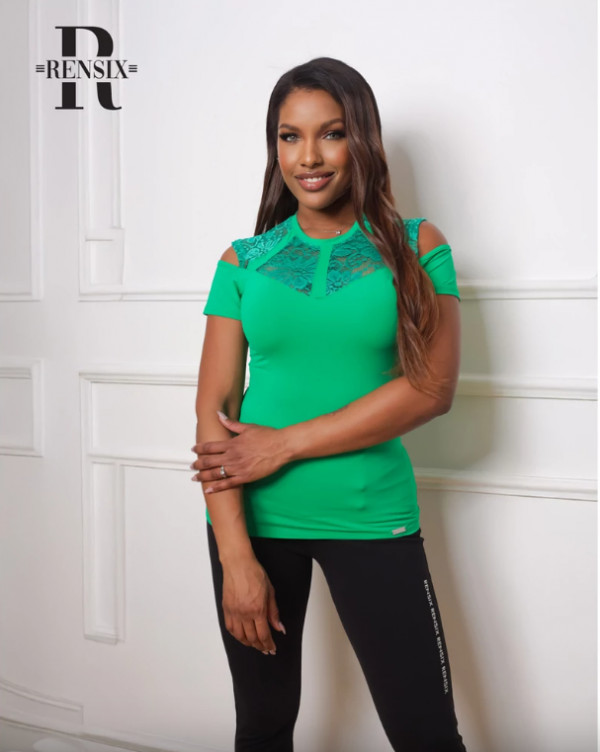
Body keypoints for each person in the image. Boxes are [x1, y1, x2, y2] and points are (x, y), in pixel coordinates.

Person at [191, 57, 467, 752]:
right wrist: (235, 558)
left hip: (371, 516)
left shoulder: (417, 246)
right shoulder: (243, 261)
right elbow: (213, 411)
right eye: (289, 137)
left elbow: (432, 389)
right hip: (254, 524)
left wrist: (282, 443)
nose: (308, 157)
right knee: (262, 728)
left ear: (361, 139)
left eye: (331, 133)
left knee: (427, 736)